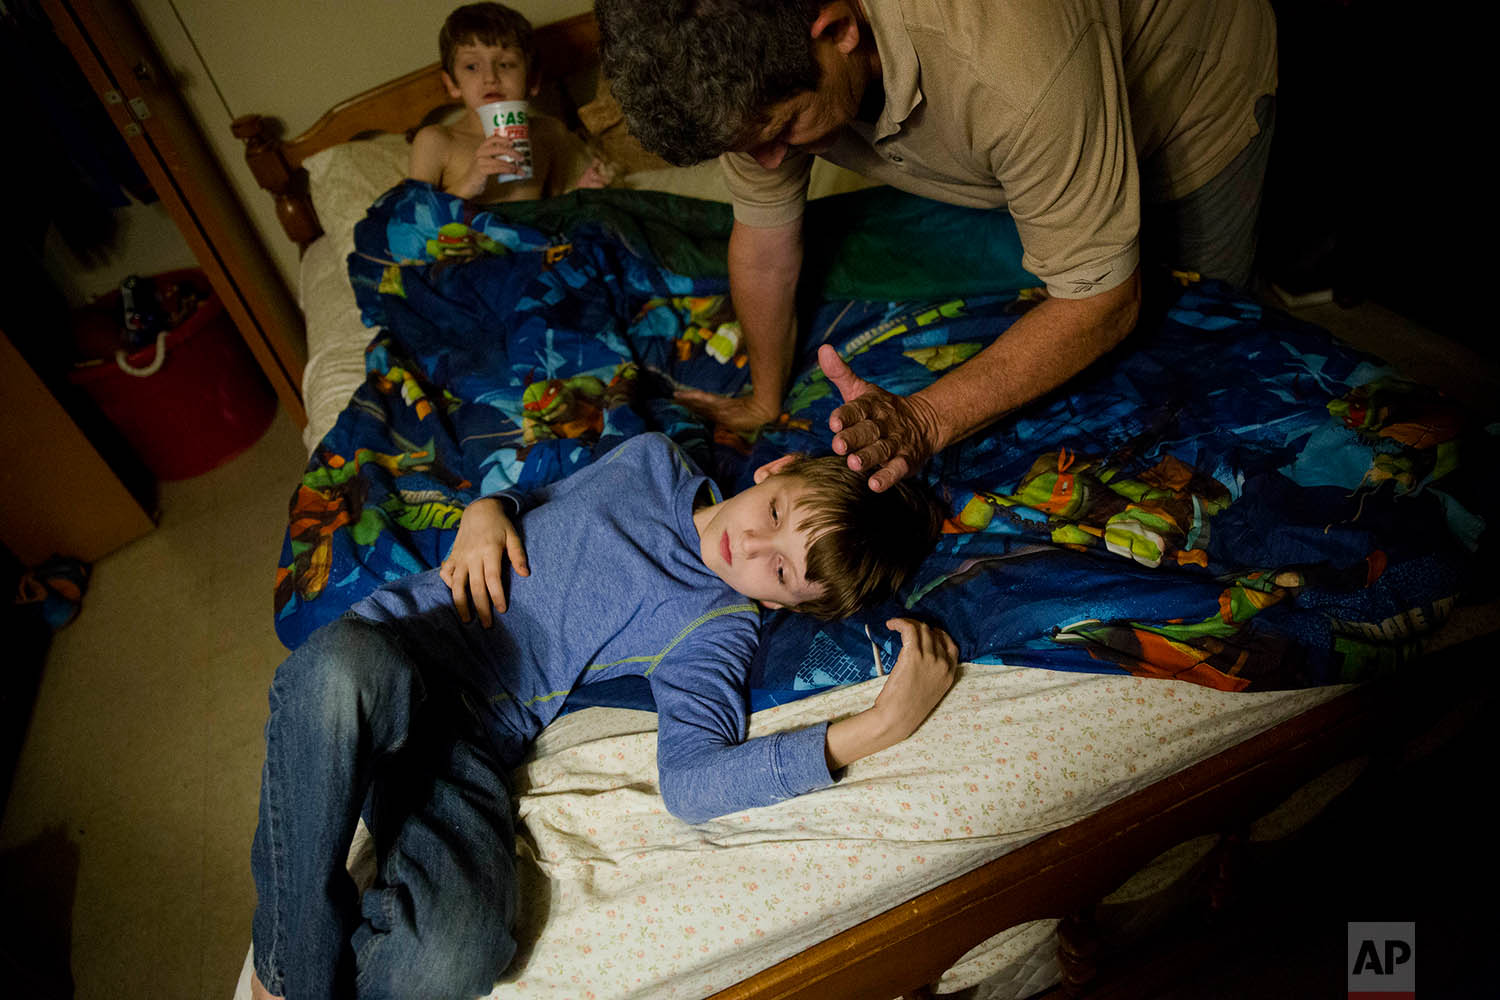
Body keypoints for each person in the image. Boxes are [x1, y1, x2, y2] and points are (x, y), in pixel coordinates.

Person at [248, 432, 953, 999]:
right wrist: (487, 510)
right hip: (388, 649)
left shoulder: (715, 628)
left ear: (779, 605)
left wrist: (876, 727)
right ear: (776, 469)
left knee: (461, 952)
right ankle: (293, 980)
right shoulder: (651, 459)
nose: (754, 547)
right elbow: (540, 496)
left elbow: (693, 783)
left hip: (462, 740)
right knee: (336, 672)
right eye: (774, 517)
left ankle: (286, 983)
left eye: (777, 573)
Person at [596, 0, 1278, 492]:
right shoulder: (748, 62)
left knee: (1209, 329)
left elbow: (1102, 300)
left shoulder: (1012, 62)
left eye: (784, 128)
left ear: (836, 27)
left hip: (1189, 92)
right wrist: (763, 398)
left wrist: (922, 421)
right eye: (747, 145)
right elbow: (767, 242)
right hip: (1037, 110)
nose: (769, 162)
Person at [409, 2, 610, 202]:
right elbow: (412, 219)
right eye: (472, 66)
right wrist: (469, 182)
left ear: (533, 80)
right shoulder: (437, 141)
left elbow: (552, 208)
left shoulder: (550, 133)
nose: (490, 77)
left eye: (505, 64)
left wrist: (582, 191)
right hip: (472, 233)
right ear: (452, 83)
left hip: (533, 233)